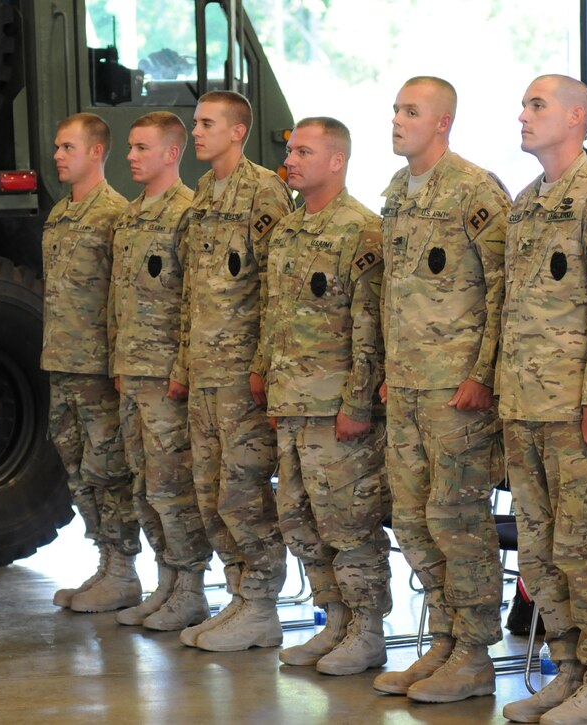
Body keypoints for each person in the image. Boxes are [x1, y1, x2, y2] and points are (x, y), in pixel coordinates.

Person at [501, 75, 587, 725]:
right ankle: (572, 668)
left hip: (579, 411)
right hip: (525, 405)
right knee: (541, 552)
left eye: (538, 105)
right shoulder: (528, 202)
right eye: (525, 104)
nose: (524, 115)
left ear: (577, 117)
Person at [369, 76, 508, 703]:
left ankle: (477, 654)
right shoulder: (398, 190)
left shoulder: (475, 190)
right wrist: (383, 371)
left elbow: (503, 286)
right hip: (406, 384)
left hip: (456, 389)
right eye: (397, 109)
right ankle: (445, 641)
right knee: (414, 518)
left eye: (412, 111)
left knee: (458, 519)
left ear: (443, 122)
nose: (398, 119)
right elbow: (391, 293)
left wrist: (483, 373)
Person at [259, 117, 390, 675]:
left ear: (336, 161)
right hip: (291, 404)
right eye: (290, 150)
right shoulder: (287, 230)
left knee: (350, 522)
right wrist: (268, 380)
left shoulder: (360, 230)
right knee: (298, 519)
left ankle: (368, 630)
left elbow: (370, 330)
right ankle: (333, 619)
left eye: (303, 151)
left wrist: (358, 405)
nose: (290, 160)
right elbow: (274, 315)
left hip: (335, 409)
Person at [171, 90, 294, 652]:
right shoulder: (203, 191)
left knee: (243, 491)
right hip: (204, 370)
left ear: (238, 131)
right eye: (194, 124)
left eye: (207, 124)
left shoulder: (263, 190)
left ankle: (263, 602)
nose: (196, 133)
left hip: (242, 371)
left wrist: (264, 365)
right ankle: (240, 594)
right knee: (210, 492)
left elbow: (276, 287)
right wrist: (182, 364)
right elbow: (192, 288)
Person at [108, 112, 214, 631]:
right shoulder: (128, 217)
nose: (131, 156)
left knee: (173, 487)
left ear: (171, 154)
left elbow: (194, 301)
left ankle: (191, 587)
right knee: (145, 487)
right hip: (133, 370)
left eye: (142, 148)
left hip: (167, 376)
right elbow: (119, 300)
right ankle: (166, 581)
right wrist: (117, 363)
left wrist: (180, 369)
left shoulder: (187, 214)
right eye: (130, 147)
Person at [42, 113, 140, 613]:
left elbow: (123, 298)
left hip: (100, 368)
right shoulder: (59, 215)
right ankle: (105, 561)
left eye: (67, 147)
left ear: (96, 152)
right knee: (78, 470)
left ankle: (124, 569)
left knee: (108, 469)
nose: (58, 155)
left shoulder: (115, 217)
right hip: (63, 363)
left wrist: (119, 363)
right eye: (57, 147)